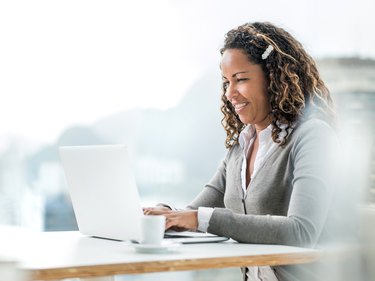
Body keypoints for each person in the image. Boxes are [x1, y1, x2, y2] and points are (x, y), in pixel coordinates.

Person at [144, 21, 339, 281]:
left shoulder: (312, 136)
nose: (230, 93)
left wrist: (197, 218)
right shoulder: (240, 148)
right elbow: (193, 213)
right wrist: (164, 214)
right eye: (226, 82)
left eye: (241, 79)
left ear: (274, 78)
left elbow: (301, 232)